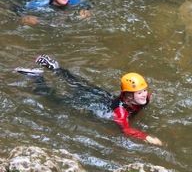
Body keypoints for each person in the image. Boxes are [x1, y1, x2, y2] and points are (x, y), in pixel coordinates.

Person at [15, 55, 163, 146]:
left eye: (144, 90)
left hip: (104, 97)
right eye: (140, 92)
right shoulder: (121, 111)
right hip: (95, 105)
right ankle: (38, 77)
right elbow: (126, 130)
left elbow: (147, 97)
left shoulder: (145, 98)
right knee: (57, 100)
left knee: (80, 84)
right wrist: (146, 137)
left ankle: (56, 69)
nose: (144, 94)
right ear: (129, 96)